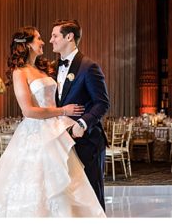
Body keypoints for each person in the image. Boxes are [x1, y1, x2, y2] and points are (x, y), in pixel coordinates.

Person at [0, 27, 106, 217]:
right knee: (36, 182)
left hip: (56, 132)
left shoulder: (44, 69)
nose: (44, 41)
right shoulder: (20, 72)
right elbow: (28, 111)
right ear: (28, 44)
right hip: (36, 132)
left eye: (51, 36)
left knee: (66, 182)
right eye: (39, 38)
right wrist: (63, 110)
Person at [50, 19, 110, 211]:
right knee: (68, 196)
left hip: (87, 142)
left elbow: (102, 103)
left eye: (55, 36)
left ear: (69, 37)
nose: (51, 40)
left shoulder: (89, 67)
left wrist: (83, 124)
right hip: (61, 142)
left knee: (91, 196)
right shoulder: (53, 68)